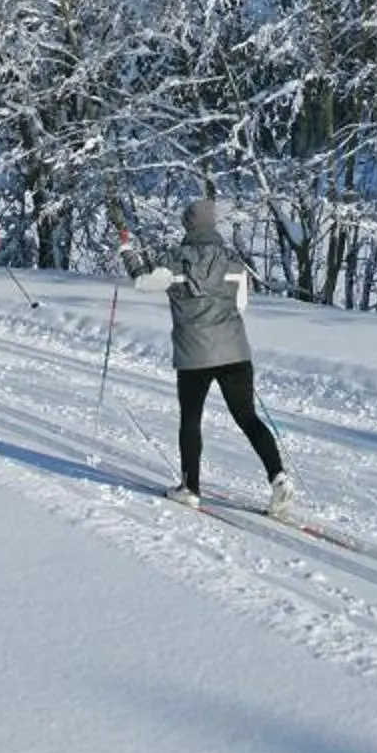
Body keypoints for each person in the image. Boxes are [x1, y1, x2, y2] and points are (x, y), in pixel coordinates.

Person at [124, 198, 294, 518]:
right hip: (234, 351)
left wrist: (127, 254)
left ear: (188, 225)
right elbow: (241, 305)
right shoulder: (233, 261)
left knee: (191, 419)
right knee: (248, 417)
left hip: (194, 355)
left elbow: (143, 282)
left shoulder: (174, 261)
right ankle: (279, 477)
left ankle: (190, 489)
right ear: (213, 223)